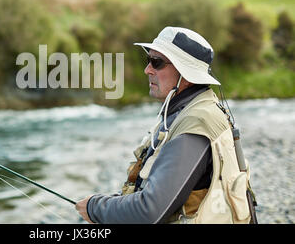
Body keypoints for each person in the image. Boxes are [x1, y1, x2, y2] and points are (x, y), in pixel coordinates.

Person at [75, 26, 254, 224]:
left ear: (185, 72)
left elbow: (150, 211)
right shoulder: (186, 111)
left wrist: (95, 207)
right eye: (148, 61)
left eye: (156, 62)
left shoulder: (197, 122)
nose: (147, 70)